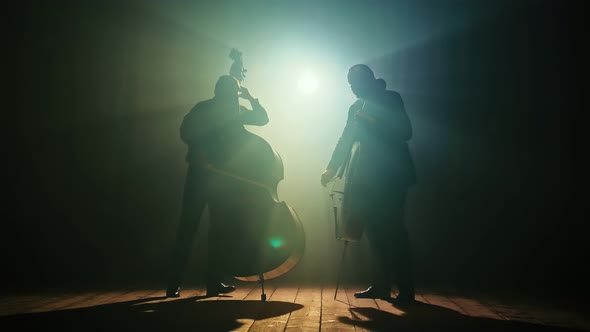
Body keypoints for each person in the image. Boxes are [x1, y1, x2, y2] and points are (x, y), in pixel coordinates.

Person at [321, 64, 417, 305]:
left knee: (393, 231)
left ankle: (406, 289)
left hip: (392, 176)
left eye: (354, 83)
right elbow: (345, 139)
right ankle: (381, 285)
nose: (351, 88)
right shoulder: (356, 107)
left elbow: (405, 131)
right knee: (374, 232)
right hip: (366, 178)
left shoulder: (390, 99)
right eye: (349, 84)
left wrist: (373, 122)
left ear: (366, 81)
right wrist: (331, 168)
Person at [166, 74, 269, 298]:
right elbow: (186, 131)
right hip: (200, 176)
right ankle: (174, 283)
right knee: (188, 228)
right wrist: (200, 152)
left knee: (219, 231)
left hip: (223, 180)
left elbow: (262, 119)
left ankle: (213, 282)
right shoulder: (203, 108)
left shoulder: (236, 111)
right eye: (231, 92)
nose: (233, 97)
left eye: (236, 93)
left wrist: (251, 97)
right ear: (219, 91)